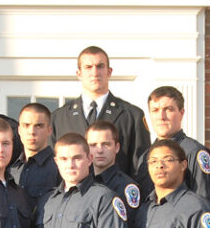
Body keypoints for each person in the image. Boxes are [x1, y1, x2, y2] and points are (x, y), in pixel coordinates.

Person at [51, 46, 151, 177]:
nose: (95, 72)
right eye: (88, 67)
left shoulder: (132, 115)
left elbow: (141, 166)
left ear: (109, 72)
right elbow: (54, 167)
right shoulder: (59, 118)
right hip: (74, 195)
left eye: (100, 66)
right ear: (79, 74)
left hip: (116, 193)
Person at [135, 85, 210, 207]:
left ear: (181, 113)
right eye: (155, 110)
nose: (161, 117)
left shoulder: (194, 152)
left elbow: (205, 203)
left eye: (168, 109)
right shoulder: (145, 157)